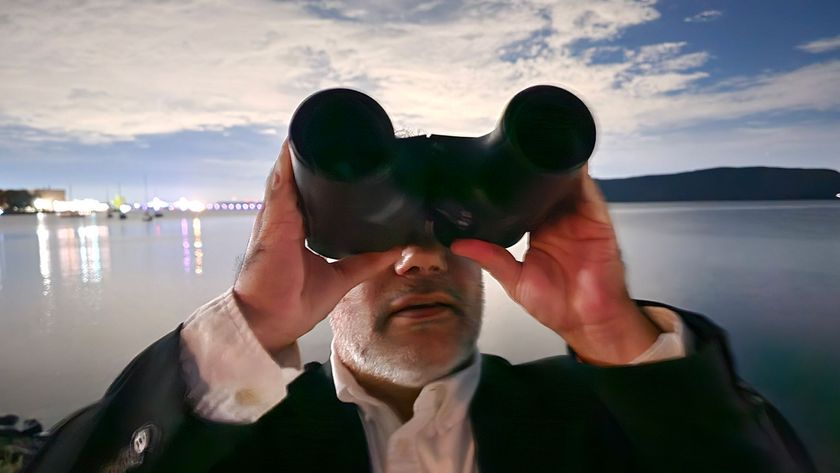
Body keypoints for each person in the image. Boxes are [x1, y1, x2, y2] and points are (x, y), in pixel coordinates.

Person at [26, 141, 814, 473]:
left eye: (445, 232)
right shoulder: (225, 441)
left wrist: (612, 331)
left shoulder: (609, 414)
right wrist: (251, 326)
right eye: (381, 235)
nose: (421, 256)